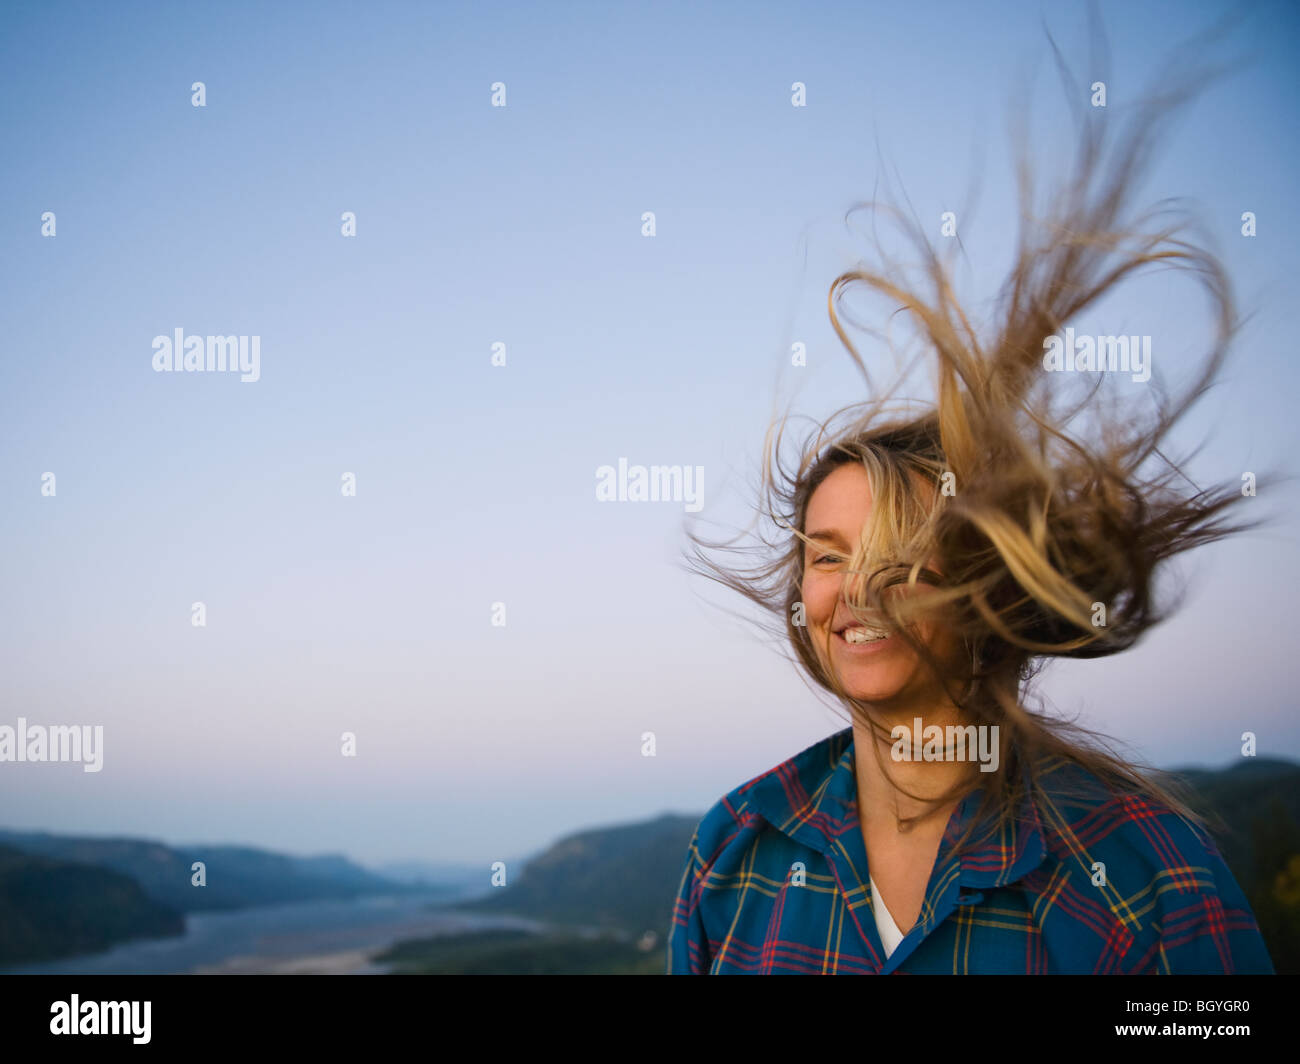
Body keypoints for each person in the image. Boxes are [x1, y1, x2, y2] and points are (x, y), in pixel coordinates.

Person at [667, 49, 1277, 975]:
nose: (856, 589)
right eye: (826, 556)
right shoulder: (738, 850)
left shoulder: (1146, 872)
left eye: (901, 556)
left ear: (988, 587)